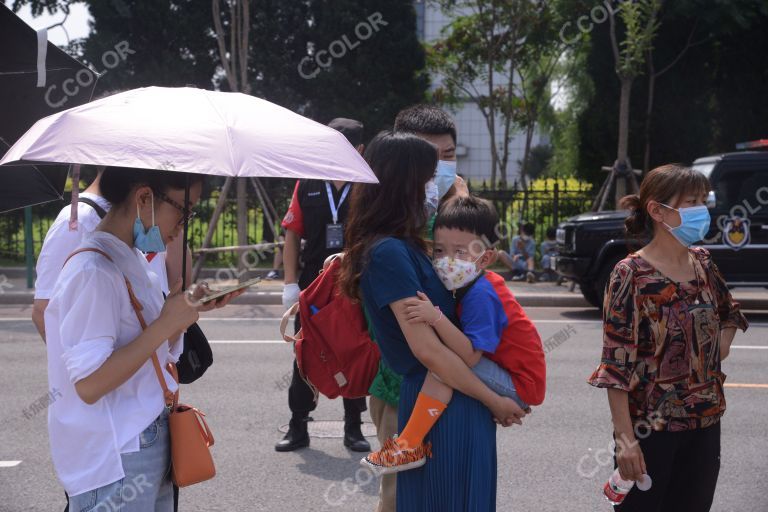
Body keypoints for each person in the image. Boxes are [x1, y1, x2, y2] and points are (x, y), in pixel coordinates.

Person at [339, 131, 527, 511]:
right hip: (442, 398)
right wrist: (494, 399)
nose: (435, 185)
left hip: (454, 394)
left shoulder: (405, 243)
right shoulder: (390, 251)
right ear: (406, 182)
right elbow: (427, 350)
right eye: (429, 176)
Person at [45, 166, 243, 511]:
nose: (184, 225)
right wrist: (166, 324)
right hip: (118, 453)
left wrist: (181, 312)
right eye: (183, 210)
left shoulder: (129, 257)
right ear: (143, 198)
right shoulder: (93, 270)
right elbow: (90, 384)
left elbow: (151, 349)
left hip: (141, 438)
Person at [587, 164, 748, 511]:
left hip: (705, 425)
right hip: (650, 433)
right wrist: (625, 440)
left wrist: (718, 345)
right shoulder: (630, 274)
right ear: (658, 211)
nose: (701, 210)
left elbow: (730, 312)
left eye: (703, 200)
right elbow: (616, 365)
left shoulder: (703, 262)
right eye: (691, 201)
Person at [361, 195, 546, 474]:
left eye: (460, 252)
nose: (447, 260)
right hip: (508, 374)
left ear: (486, 258)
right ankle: (408, 443)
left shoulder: (483, 294)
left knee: (443, 366)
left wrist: (434, 317)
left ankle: (409, 444)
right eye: (438, 251)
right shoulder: (468, 282)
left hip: (519, 386)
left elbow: (470, 356)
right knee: (444, 363)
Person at [276, 117, 370, 452]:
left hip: (353, 285)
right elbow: (292, 233)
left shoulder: (368, 184)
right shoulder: (308, 182)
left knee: (354, 351)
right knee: (304, 352)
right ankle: (297, 424)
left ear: (359, 150)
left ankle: (354, 427)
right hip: (313, 287)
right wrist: (289, 283)